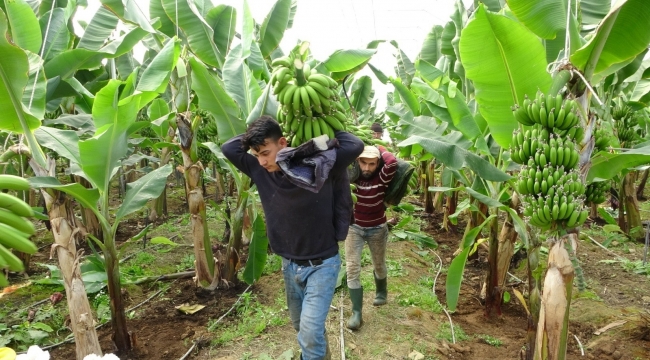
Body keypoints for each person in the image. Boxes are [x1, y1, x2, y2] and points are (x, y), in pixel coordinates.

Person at [222, 116, 363, 359]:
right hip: (289, 266)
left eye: (266, 152)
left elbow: (354, 145)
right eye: (257, 155)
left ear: (283, 142)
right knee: (303, 328)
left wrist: (320, 121)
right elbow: (228, 148)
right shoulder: (259, 169)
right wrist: (260, 132)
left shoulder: (319, 165)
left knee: (308, 333)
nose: (263, 161)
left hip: (323, 265)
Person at [345, 145, 397, 330]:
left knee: (379, 264)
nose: (367, 168)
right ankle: (357, 313)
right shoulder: (351, 178)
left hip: (377, 228)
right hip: (354, 228)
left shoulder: (382, 177)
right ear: (357, 161)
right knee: (352, 268)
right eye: (363, 162)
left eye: (371, 164)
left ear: (377, 163)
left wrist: (377, 147)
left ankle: (381, 293)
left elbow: (392, 162)